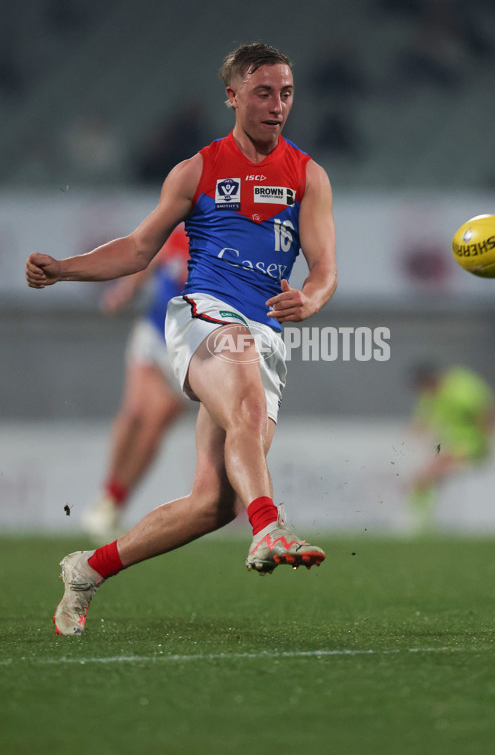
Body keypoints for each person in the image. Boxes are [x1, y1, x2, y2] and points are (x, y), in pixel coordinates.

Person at [26, 42, 337, 636]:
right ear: (233, 96)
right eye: (264, 93)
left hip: (266, 332)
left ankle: (89, 569)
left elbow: (325, 266)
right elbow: (138, 249)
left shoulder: (308, 175)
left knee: (212, 504)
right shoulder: (196, 169)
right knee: (244, 404)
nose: (277, 105)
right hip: (205, 313)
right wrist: (64, 268)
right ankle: (269, 526)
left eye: (287, 93)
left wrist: (313, 297)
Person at [82, 223, 191, 542]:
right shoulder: (183, 228)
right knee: (133, 413)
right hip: (155, 333)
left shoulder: (237, 240)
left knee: (153, 426)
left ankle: (114, 501)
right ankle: (107, 496)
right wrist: (127, 289)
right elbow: (152, 255)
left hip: (190, 355)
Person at [406, 363, 495, 533]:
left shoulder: (461, 388)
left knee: (426, 476)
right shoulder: (431, 396)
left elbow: (487, 413)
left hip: (471, 444)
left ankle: (417, 523)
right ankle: (424, 522)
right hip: (451, 445)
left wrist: (486, 444)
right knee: (424, 479)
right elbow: (422, 422)